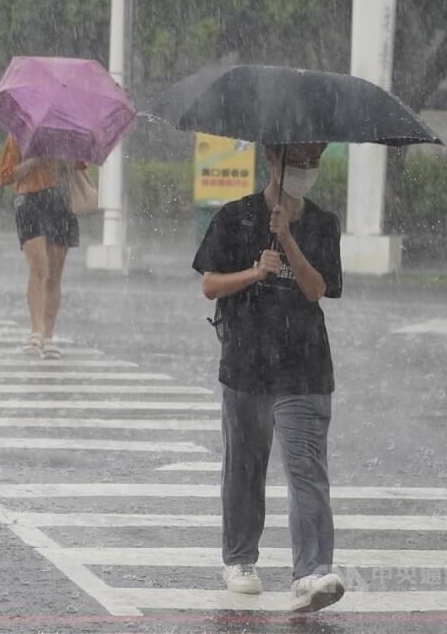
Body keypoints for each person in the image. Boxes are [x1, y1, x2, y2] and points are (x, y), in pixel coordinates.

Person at [192, 143, 345, 613]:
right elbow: (209, 284)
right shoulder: (234, 217)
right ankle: (240, 557)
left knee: (307, 471)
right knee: (245, 465)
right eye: (298, 162)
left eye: (313, 163)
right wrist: (255, 271)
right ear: (272, 163)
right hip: (247, 360)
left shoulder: (322, 223)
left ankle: (313, 572)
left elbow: (318, 288)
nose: (307, 172)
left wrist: (289, 239)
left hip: (304, 366)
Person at [0, 135, 84, 359]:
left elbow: (80, 164)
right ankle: (36, 331)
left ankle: (48, 335)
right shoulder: (18, 134)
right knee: (39, 268)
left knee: (54, 275)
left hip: (60, 201)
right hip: (28, 201)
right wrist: (34, 161)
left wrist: (63, 158)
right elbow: (6, 175)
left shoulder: (67, 133)